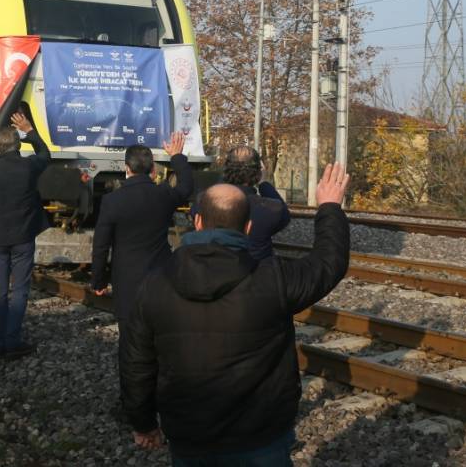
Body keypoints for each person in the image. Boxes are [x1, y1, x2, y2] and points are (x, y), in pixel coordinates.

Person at [122, 164, 351, 466]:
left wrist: (144, 422)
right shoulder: (274, 278)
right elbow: (327, 264)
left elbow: (136, 361)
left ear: (199, 222)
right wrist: (330, 207)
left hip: (189, 434)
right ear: (247, 228)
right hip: (260, 433)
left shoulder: (154, 283)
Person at [90, 132, 194, 411]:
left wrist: (98, 280)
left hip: (127, 284)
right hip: (161, 280)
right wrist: (177, 156)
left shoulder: (112, 202)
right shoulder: (163, 195)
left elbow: (101, 246)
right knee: (160, 342)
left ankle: (132, 405)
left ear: (126, 168)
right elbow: (187, 186)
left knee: (130, 350)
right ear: (152, 169)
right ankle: (162, 397)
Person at [0, 111, 50, 358]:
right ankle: (12, 339)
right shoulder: (29, 167)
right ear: (18, 146)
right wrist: (29, 130)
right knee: (20, 290)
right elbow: (45, 154)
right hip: (23, 237)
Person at [190, 146, 290, 260]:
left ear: (226, 171)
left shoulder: (204, 200)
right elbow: (285, 217)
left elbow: (194, 214)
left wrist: (227, 176)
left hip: (211, 267)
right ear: (258, 174)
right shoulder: (270, 208)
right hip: (256, 271)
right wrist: (264, 183)